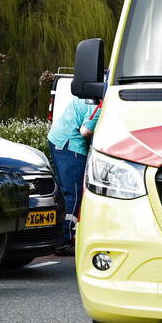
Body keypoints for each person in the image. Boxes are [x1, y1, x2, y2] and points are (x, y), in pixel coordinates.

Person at [47, 98, 100, 255]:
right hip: (71, 145)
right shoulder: (99, 103)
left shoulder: (95, 90)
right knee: (74, 195)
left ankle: (57, 235)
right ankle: (64, 240)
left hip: (58, 139)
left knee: (64, 193)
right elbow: (85, 131)